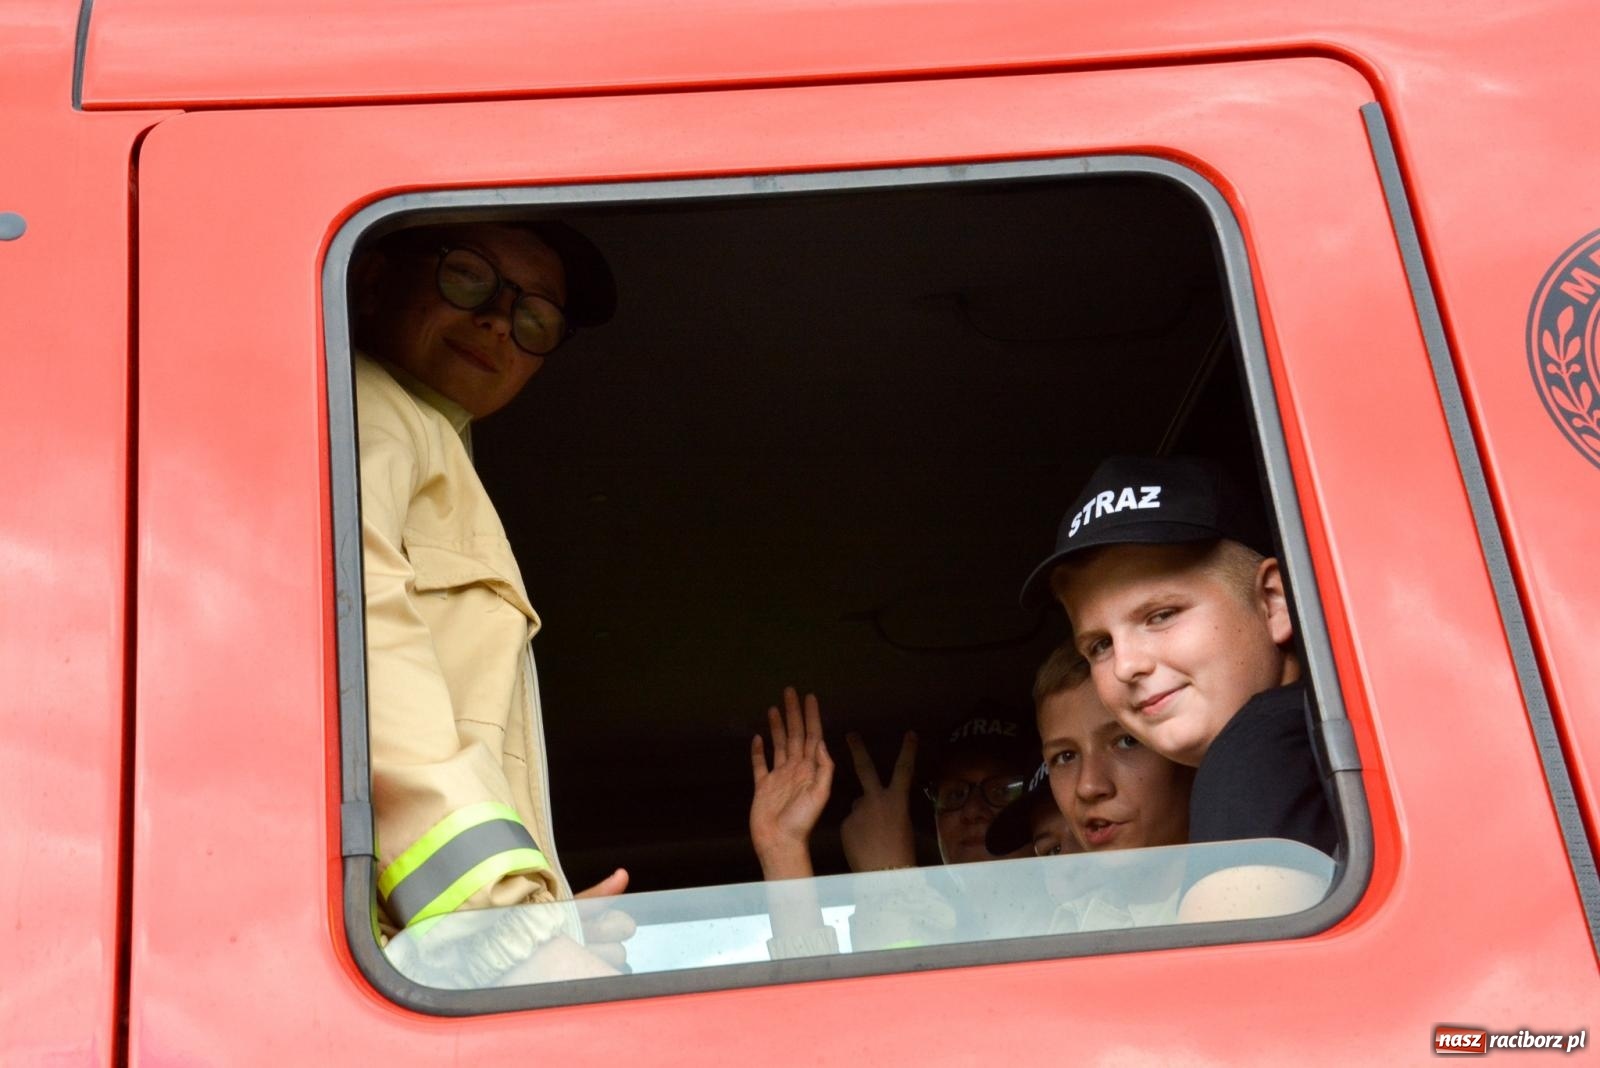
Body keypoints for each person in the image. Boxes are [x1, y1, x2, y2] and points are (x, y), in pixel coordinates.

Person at [353, 218, 630, 984]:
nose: (499, 321)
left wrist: (547, 915)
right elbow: (356, 643)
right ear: (374, 275)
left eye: (535, 316)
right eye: (469, 277)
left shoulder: (430, 440)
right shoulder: (366, 410)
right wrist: (507, 932)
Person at [1019, 455, 1336, 918]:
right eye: (1100, 645)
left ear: (1273, 601)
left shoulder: (1253, 757)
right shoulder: (1316, 736)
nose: (1126, 665)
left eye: (1161, 615)